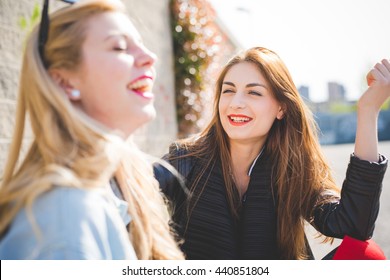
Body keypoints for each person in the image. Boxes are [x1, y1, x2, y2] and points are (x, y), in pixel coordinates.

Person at [155, 47, 389, 259]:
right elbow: (135, 186)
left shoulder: (293, 168)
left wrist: (368, 111)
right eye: (228, 91)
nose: (236, 103)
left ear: (281, 108)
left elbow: (352, 225)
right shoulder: (185, 160)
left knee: (367, 256)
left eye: (253, 93)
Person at [0, 0, 183, 260]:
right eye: (119, 47)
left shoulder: (124, 185)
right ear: (64, 81)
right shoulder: (65, 219)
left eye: (140, 43)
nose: (149, 57)